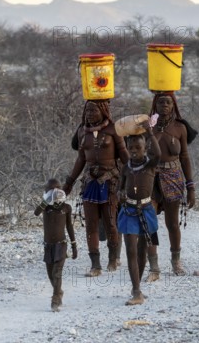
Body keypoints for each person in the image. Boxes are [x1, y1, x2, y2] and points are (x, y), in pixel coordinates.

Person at [63, 100, 129, 277]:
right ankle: (95, 265)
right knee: (90, 224)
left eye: (94, 110)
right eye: (87, 110)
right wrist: (68, 183)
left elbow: (125, 157)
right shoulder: (82, 131)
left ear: (103, 110)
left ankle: (112, 259)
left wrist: (134, 177)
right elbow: (80, 160)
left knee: (110, 222)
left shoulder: (114, 129)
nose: (90, 113)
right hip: (90, 182)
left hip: (110, 181)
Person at [144, 91, 196, 279]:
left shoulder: (180, 128)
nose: (164, 105)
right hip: (150, 177)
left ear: (173, 105)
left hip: (174, 177)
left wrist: (191, 187)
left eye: (168, 102)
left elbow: (184, 157)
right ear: (155, 105)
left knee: (172, 223)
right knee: (150, 222)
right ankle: (154, 267)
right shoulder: (147, 126)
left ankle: (176, 262)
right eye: (160, 102)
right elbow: (136, 152)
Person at [117, 120, 161, 305]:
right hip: (129, 210)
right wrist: (120, 194)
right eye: (131, 147)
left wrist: (150, 133)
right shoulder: (126, 167)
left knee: (143, 250)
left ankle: (138, 289)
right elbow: (120, 187)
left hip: (146, 210)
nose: (134, 150)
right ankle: (136, 290)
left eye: (138, 147)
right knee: (131, 251)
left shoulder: (150, 164)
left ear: (145, 148)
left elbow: (158, 153)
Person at [34, 178, 77, 312]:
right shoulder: (45, 207)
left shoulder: (66, 208)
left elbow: (69, 227)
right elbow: (36, 212)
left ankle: (55, 301)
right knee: (50, 274)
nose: (55, 193)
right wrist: (47, 199)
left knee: (57, 273)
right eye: (51, 190)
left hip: (61, 245)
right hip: (48, 245)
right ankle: (59, 291)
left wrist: (74, 245)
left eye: (57, 190)